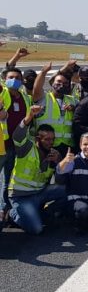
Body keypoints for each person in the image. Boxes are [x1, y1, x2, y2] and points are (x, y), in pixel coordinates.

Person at [8, 105, 66, 235]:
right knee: (37, 229)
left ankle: (44, 214)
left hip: (40, 194)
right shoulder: (27, 148)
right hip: (21, 197)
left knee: (68, 190)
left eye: (52, 139)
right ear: (37, 139)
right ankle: (13, 214)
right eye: (47, 139)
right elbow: (17, 136)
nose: (51, 143)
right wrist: (29, 116)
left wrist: (59, 163)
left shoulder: (54, 154)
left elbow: (60, 180)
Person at [0, 66, 32, 217]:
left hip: (15, 146)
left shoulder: (25, 97)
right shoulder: (3, 93)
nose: (14, 81)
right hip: (1, 146)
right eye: (11, 77)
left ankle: (4, 208)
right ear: (4, 79)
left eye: (18, 78)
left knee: (8, 181)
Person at [32, 62, 79, 157]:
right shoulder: (44, 98)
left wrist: (74, 109)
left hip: (68, 146)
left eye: (65, 83)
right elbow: (36, 89)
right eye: (58, 82)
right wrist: (43, 72)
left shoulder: (73, 100)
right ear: (52, 83)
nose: (62, 85)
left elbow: (81, 116)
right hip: (47, 145)